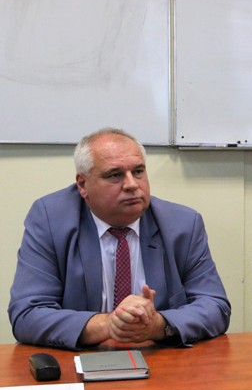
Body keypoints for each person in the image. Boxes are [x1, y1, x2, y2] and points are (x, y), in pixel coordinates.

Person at [8, 128, 231, 349]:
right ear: (83, 185)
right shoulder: (51, 219)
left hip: (159, 359)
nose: (132, 184)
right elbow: (27, 313)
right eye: (115, 175)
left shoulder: (182, 224)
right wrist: (108, 324)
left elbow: (215, 306)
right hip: (81, 360)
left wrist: (159, 325)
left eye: (138, 171)